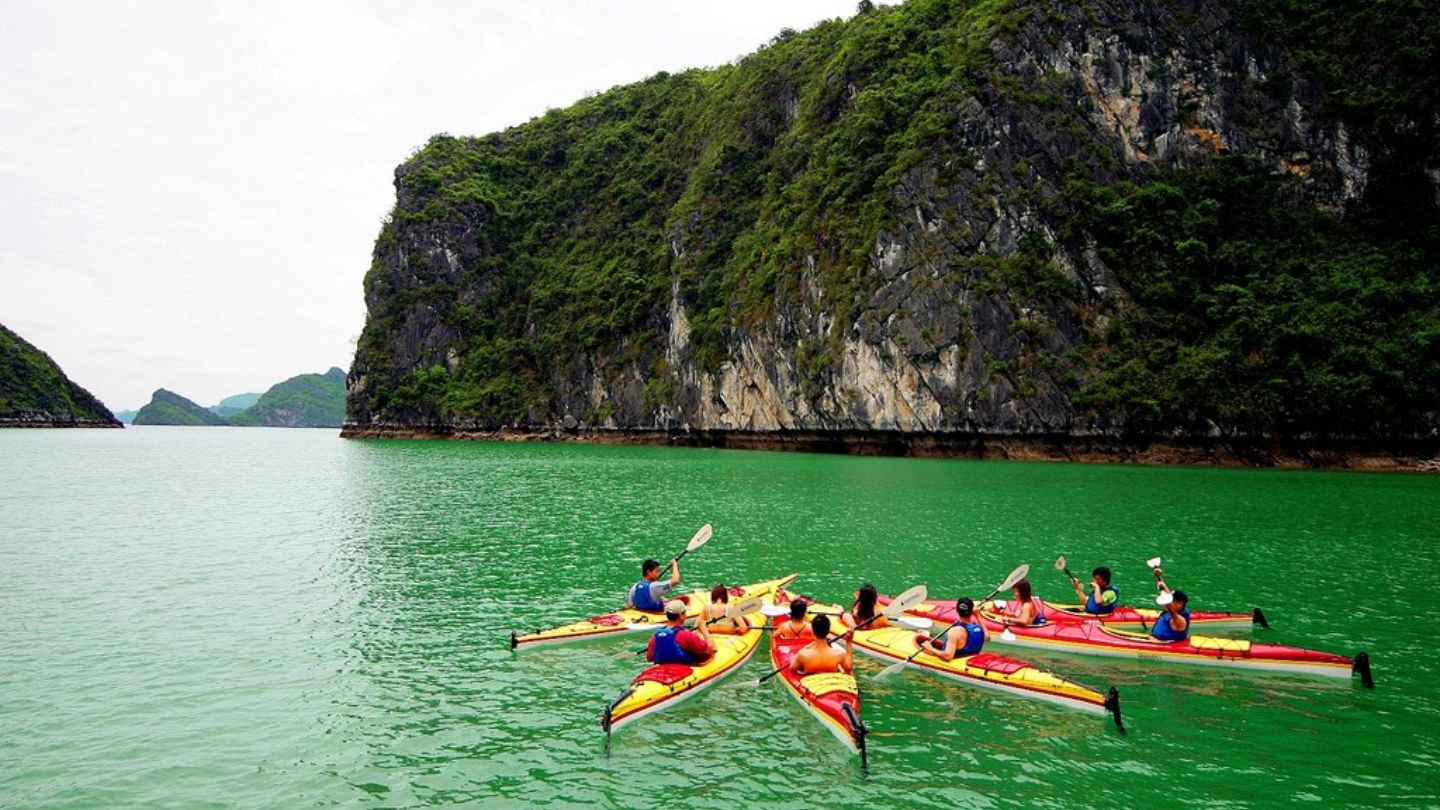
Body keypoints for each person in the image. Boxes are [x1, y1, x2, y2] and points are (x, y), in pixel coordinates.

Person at [915, 597, 985, 662]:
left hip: (955, 660)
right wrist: (978, 616)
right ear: (972, 612)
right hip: (968, 657)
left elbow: (947, 657)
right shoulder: (979, 628)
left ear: (957, 610)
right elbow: (987, 636)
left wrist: (931, 648)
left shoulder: (954, 632)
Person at [646, 599, 714, 664]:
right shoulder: (687, 635)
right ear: (680, 615)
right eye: (684, 613)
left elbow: (649, 658)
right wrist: (704, 630)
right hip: (685, 668)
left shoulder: (655, 636)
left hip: (664, 670)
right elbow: (711, 649)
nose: (686, 615)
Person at [1150, 565, 1190, 642]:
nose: (1169, 600)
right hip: (1153, 639)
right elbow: (1166, 592)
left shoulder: (1180, 621)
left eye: (1172, 600)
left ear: (1180, 604)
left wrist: (1167, 602)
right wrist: (1158, 576)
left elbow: (1169, 607)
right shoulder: (1175, 607)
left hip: (1165, 647)